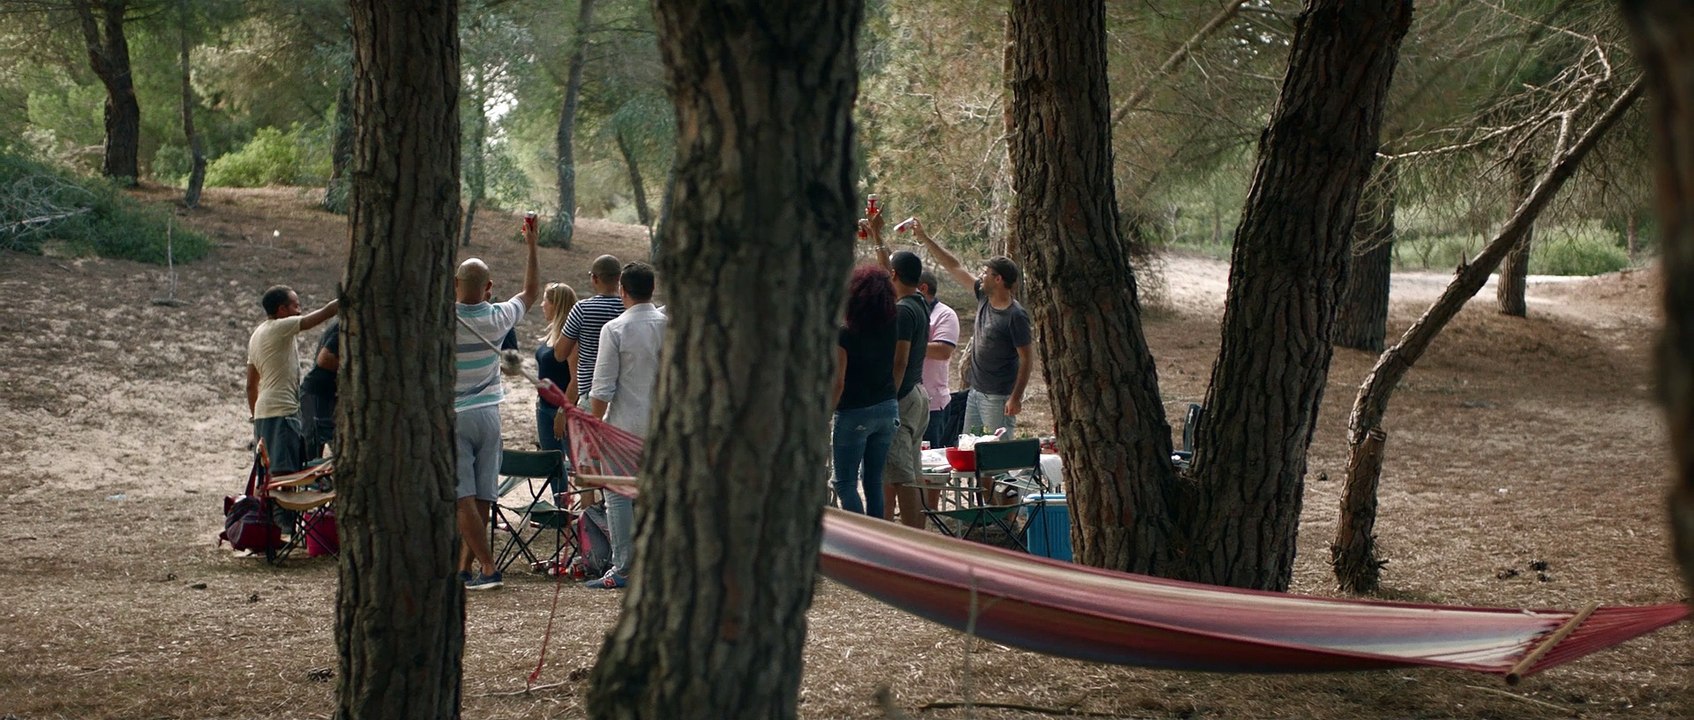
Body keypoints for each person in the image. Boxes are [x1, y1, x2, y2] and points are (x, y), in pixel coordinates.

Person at [453, 218, 542, 591]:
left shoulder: (440, 318)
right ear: (489, 288)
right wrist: (532, 245)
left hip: (455, 417)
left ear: (456, 285)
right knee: (484, 494)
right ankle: (464, 569)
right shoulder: (499, 316)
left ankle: (488, 568)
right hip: (489, 415)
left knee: (463, 497)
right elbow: (531, 292)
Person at [584, 262, 665, 589]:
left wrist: (595, 428)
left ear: (622, 290)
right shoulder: (668, 325)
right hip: (663, 426)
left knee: (618, 495)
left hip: (622, 426)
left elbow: (602, 388)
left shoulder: (615, 329)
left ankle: (625, 566)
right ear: (652, 289)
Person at [914, 219, 1033, 438]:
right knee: (972, 447)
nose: (980, 276)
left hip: (998, 398)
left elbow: (1026, 359)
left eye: (985, 272)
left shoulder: (1015, 316)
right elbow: (954, 267)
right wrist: (924, 238)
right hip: (976, 393)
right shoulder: (983, 296)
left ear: (998, 279)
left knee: (997, 451)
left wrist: (1015, 397)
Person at [830, 264, 900, 522]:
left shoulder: (845, 334)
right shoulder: (893, 324)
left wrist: (826, 413)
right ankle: (878, 532)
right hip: (887, 406)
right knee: (873, 480)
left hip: (854, 411)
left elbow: (838, 381)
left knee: (845, 482)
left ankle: (861, 534)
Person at [247, 286, 338, 477]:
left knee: (268, 476)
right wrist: (349, 297)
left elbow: (250, 386)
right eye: (296, 306)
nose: (299, 310)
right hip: (282, 412)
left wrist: (256, 418)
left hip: (262, 414)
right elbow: (324, 313)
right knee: (285, 476)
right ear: (282, 309)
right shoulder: (280, 327)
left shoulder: (257, 335)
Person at [877, 247, 931, 529]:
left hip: (902, 397)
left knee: (902, 478)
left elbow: (900, 360)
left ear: (894, 274)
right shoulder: (919, 302)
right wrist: (877, 238)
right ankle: (915, 536)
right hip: (917, 394)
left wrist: (889, 399)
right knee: (910, 471)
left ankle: (912, 537)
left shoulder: (903, 311)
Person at [558, 255, 625, 419]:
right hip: (623, 395)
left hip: (591, 392)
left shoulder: (582, 309)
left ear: (594, 278)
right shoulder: (628, 307)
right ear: (619, 278)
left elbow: (560, 353)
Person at [917, 270, 960, 449]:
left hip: (932, 404)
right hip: (901, 402)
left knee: (930, 459)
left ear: (923, 288)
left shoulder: (945, 315)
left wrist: (905, 344)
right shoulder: (900, 310)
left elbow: (943, 351)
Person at [535, 282, 579, 455]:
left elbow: (575, 380)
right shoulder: (551, 334)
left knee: (572, 462)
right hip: (544, 407)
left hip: (562, 410)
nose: (542, 305)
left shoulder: (570, 340)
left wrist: (563, 411)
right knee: (550, 462)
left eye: (545, 300)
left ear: (556, 305)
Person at [298, 318, 340, 461]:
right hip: (316, 395)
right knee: (310, 456)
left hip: (327, 397)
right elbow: (325, 359)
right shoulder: (344, 324)